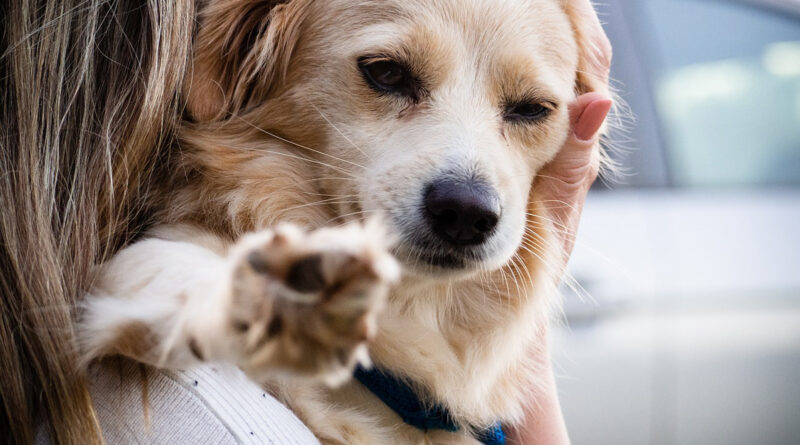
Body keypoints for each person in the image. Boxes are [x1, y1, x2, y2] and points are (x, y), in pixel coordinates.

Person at [1, 0, 611, 443]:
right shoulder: (183, 363)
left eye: (529, 109)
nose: (471, 190)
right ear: (242, 53)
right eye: (388, 73)